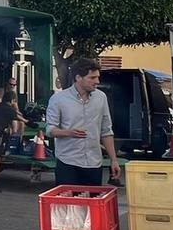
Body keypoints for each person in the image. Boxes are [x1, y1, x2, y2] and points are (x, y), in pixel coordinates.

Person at [45, 58, 120, 187]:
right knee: (69, 205)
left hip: (94, 163)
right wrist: (69, 132)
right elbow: (50, 130)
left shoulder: (101, 97)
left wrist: (114, 160)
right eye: (92, 78)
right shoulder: (58, 99)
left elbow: (106, 130)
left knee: (91, 204)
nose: (97, 81)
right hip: (68, 163)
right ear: (78, 78)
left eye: (97, 77)